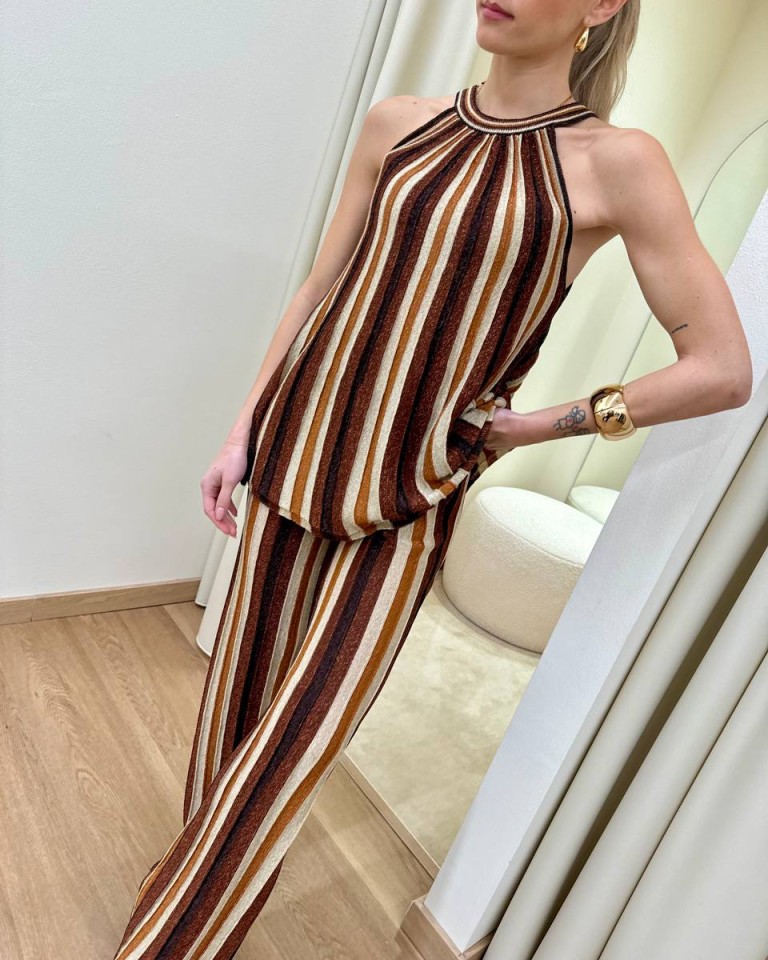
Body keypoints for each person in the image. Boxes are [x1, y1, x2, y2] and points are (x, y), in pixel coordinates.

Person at [112, 0, 752, 956]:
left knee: (285, 758)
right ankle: (190, 911)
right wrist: (240, 431)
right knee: (229, 730)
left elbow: (722, 369)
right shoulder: (398, 124)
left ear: (600, 6)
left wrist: (535, 426)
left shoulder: (616, 163)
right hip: (291, 460)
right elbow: (321, 289)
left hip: (409, 502)